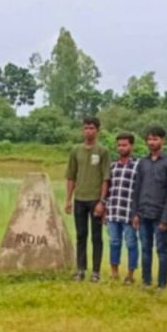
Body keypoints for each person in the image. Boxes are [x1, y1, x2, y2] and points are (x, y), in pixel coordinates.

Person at [65, 117, 111, 282]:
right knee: (81, 235)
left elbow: (106, 178)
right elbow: (71, 176)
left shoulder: (103, 151)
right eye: (86, 128)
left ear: (98, 130)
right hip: (80, 199)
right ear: (82, 130)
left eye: (91, 128)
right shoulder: (75, 150)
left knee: (96, 237)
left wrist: (102, 202)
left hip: (95, 200)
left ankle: (96, 272)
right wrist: (68, 199)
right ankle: (80, 270)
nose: (88, 131)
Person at [131, 126, 167, 291]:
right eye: (149, 139)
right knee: (145, 248)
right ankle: (146, 281)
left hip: (160, 214)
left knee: (162, 249)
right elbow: (137, 188)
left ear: (163, 141)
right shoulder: (142, 163)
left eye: (155, 139)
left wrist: (166, 218)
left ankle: (162, 284)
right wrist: (135, 212)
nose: (152, 142)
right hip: (143, 213)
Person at [105, 132, 140, 284]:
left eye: (125, 145)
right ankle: (114, 272)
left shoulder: (138, 165)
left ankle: (130, 274)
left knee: (131, 243)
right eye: (119, 145)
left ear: (131, 146)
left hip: (129, 213)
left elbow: (140, 190)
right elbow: (108, 188)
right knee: (114, 242)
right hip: (113, 211)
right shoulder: (112, 166)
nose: (121, 148)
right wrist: (104, 209)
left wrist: (137, 213)